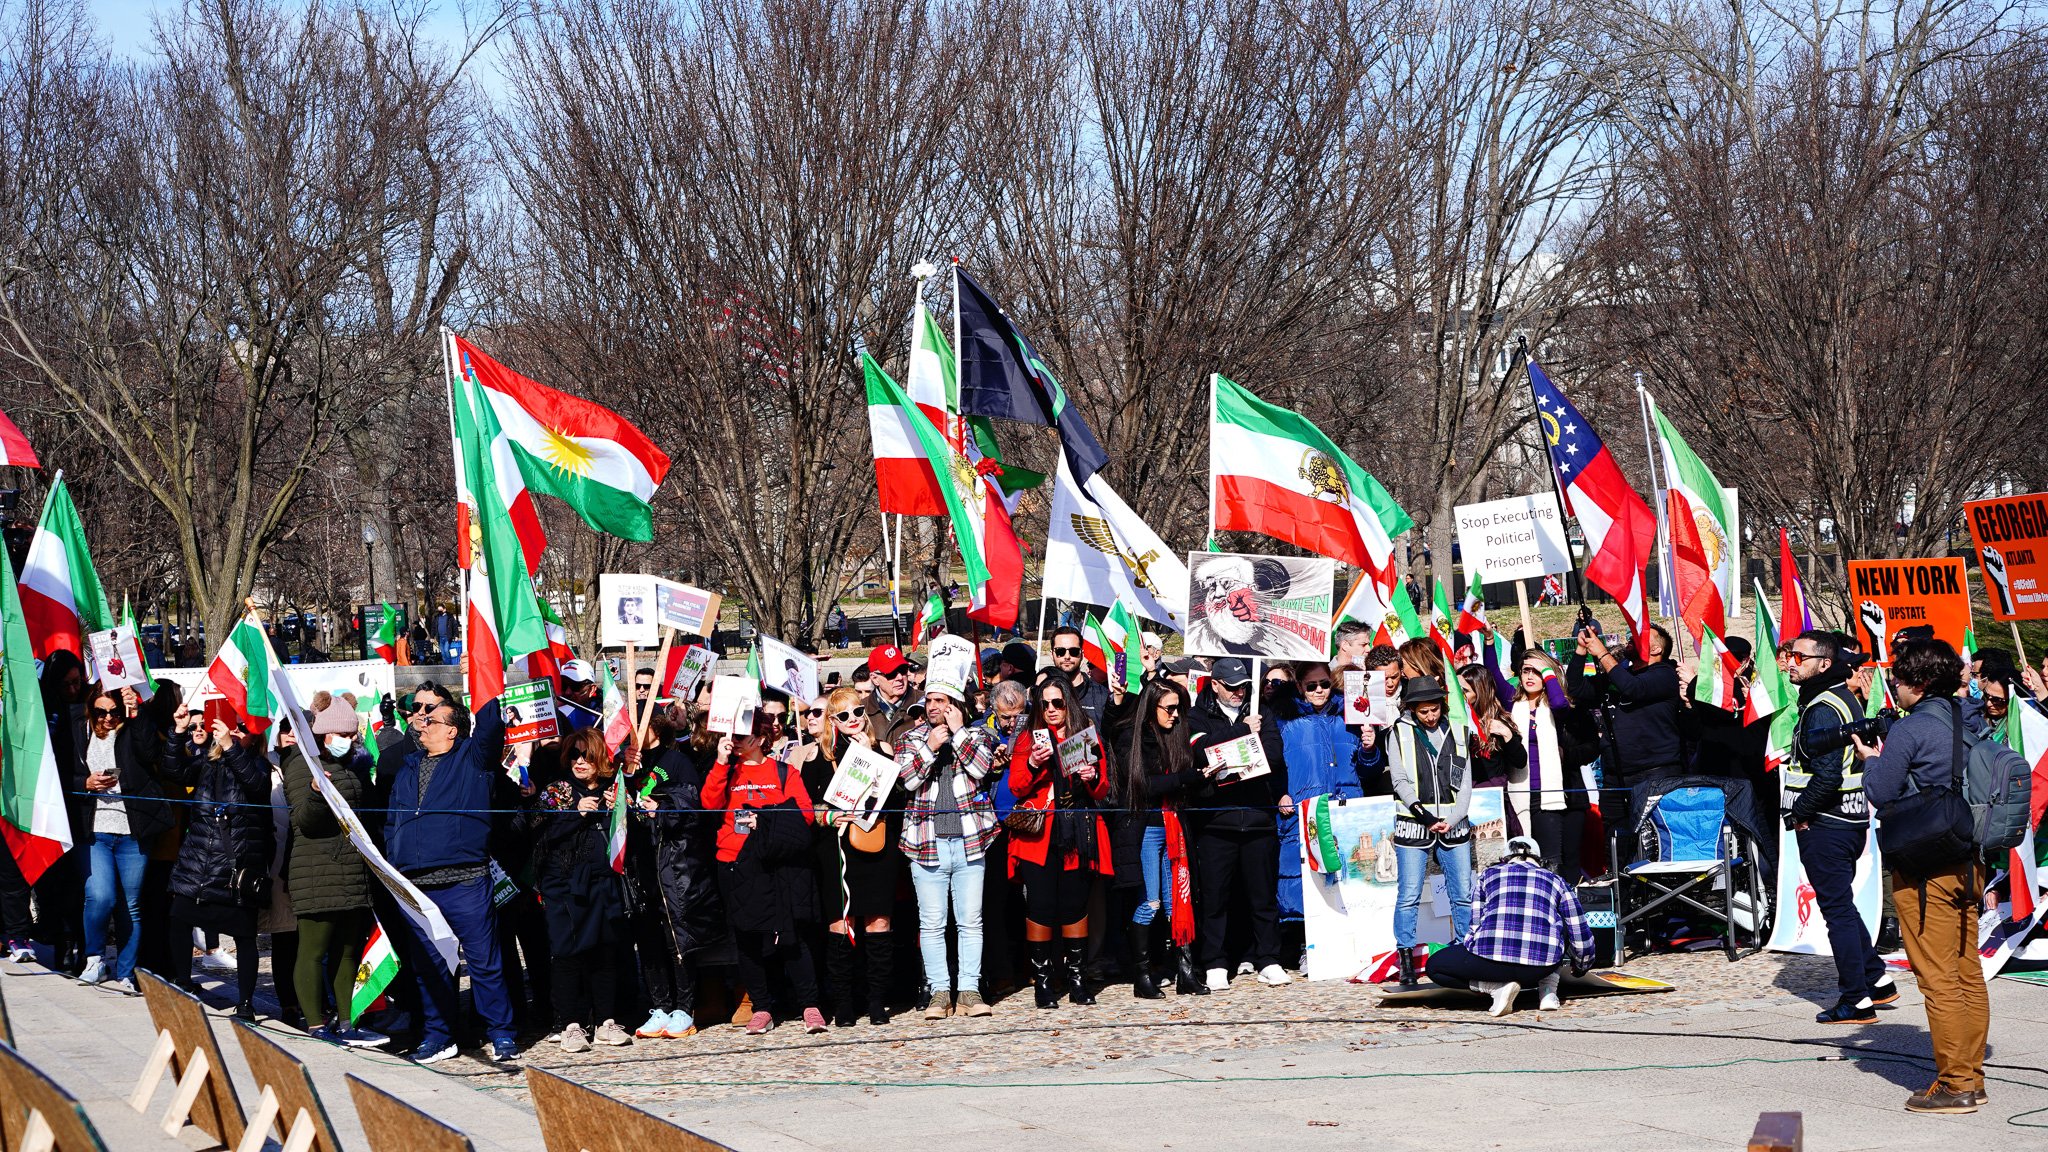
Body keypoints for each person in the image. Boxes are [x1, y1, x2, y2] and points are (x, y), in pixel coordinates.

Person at [1853, 639, 1990, 1114]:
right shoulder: (1970, 720)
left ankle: (1956, 1085)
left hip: (1925, 866)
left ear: (1918, 682)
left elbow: (1880, 789)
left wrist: (1872, 758)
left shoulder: (1912, 730)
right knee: (1967, 972)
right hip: (1969, 860)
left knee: (1938, 979)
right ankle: (1972, 1074)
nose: (1894, 687)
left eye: (1898, 680)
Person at [381, 694, 519, 1063]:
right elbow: (393, 819)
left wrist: (488, 688)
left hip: (465, 881)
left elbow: (490, 728)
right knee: (429, 967)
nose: (422, 722)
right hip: (417, 886)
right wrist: (395, 856)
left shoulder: (473, 758)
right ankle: (440, 1036)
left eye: (432, 719)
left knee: (484, 962)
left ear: (453, 731)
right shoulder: (408, 766)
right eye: (422, 718)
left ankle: (501, 1034)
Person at [1783, 629, 1895, 1024]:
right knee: (1842, 905)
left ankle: (1856, 1000)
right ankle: (1877, 981)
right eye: (1789, 655)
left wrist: (1798, 814)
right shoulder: (1837, 698)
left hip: (1826, 823)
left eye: (1799, 656)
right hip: (1846, 821)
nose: (1790, 662)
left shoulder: (1822, 707)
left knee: (1836, 912)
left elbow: (1827, 775)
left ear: (1824, 664)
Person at [707, 703, 826, 1035]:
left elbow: (803, 816)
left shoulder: (785, 772)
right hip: (734, 862)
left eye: (741, 736)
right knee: (746, 939)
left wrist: (767, 820)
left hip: (776, 864)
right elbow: (709, 804)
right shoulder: (728, 771)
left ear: (760, 738)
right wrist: (719, 761)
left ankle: (810, 1005)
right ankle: (761, 1008)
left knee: (791, 937)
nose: (734, 741)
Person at [895, 677, 1005, 1018]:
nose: (931, 707)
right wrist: (929, 746)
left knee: (971, 921)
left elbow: (982, 768)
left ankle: (969, 990)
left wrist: (958, 736)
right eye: (929, 700)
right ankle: (939, 992)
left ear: (955, 705)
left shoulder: (977, 736)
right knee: (931, 923)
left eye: (940, 700)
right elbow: (907, 781)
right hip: (926, 843)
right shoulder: (910, 739)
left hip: (969, 841)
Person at [275, 695, 384, 1043]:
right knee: (313, 949)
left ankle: (348, 1021)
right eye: (343, 734)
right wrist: (316, 791)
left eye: (352, 735)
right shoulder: (299, 764)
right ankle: (315, 1023)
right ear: (323, 735)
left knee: (348, 950)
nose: (350, 741)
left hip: (351, 871)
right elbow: (305, 822)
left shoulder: (350, 766)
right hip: (316, 871)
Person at [1006, 679, 1114, 1008]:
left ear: (1069, 703)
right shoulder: (1029, 739)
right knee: (1040, 908)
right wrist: (1033, 763)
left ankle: (1077, 980)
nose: (1051, 710)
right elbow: (1016, 787)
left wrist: (1092, 777)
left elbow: (1102, 789)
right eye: (1045, 704)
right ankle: (1042, 983)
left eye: (1058, 703)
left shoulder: (1086, 734)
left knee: (1074, 907)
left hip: (1079, 831)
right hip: (1039, 835)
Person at [159, 706, 272, 1019]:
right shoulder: (209, 762)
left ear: (255, 735)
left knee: (243, 935)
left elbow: (256, 786)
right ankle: (184, 981)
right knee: (179, 918)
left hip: (234, 868)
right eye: (231, 727)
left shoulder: (259, 765)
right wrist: (177, 732)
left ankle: (246, 1003)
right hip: (197, 862)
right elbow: (173, 771)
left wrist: (232, 747)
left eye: (242, 729)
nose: (234, 732)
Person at [1184, 657, 1288, 991]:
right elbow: (1201, 753)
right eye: (1230, 687)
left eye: (1243, 686)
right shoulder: (1197, 715)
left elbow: (1272, 757)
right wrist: (1244, 733)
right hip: (1216, 822)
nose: (1238, 693)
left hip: (1258, 819)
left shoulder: (1262, 712)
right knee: (1215, 898)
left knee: (1263, 897)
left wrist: (1232, 751)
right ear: (1214, 684)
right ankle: (1215, 962)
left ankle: (1269, 959)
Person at [531, 729, 634, 1052]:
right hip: (564, 887)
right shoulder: (557, 791)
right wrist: (576, 814)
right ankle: (570, 1024)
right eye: (573, 755)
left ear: (599, 757)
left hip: (604, 884)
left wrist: (625, 806)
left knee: (605, 952)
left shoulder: (613, 789)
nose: (579, 761)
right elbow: (539, 833)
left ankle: (605, 1021)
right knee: (567, 954)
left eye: (586, 755)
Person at [1103, 678, 1204, 999]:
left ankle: (1186, 972)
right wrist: (1183, 779)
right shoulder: (1131, 737)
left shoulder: (1176, 735)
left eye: (1179, 709)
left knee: (1177, 903)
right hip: (1144, 828)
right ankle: (1142, 975)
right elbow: (1141, 786)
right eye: (1170, 708)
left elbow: (1181, 781)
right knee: (1150, 902)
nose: (1176, 715)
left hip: (1174, 824)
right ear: (1152, 707)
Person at [806, 686, 900, 1027]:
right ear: (833, 720)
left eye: (858, 712)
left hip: (876, 842)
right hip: (837, 846)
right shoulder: (820, 756)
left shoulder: (884, 749)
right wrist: (829, 816)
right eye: (844, 715)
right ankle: (843, 1002)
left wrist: (873, 754)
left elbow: (897, 796)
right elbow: (808, 806)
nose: (854, 720)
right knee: (841, 924)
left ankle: (876, 1001)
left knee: (878, 922)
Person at [629, 708, 726, 1040]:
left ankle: (684, 1008)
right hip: (638, 862)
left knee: (676, 938)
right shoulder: (626, 764)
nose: (631, 730)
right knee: (649, 939)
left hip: (673, 863)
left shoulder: (676, 760)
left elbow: (692, 807)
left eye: (637, 724)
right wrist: (624, 771)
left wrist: (662, 807)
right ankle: (660, 1006)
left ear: (654, 727)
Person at [74, 685, 172, 994]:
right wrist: (85, 782)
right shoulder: (78, 729)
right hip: (94, 830)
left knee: (130, 905)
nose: (107, 718)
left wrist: (135, 712)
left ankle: (126, 973)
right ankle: (94, 959)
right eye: (101, 712)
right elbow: (61, 771)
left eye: (113, 712)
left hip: (133, 831)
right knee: (100, 897)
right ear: (92, 709)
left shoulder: (132, 727)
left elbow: (151, 754)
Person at [1427, 836, 1594, 1016]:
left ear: (1505, 859)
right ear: (1539, 860)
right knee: (1557, 925)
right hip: (1539, 969)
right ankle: (1548, 991)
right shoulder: (1557, 881)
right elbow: (1578, 929)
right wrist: (1581, 966)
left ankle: (1496, 987)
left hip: (1489, 963)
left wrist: (1471, 956)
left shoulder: (1487, 875)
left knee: (1434, 967)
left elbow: (1475, 925)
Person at [1271, 663, 1379, 926]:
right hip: (1304, 811)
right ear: (1299, 687)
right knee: (1303, 882)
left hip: (1345, 810)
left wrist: (1369, 748)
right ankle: (1303, 946)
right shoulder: (1283, 720)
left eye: (1325, 684)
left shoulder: (1351, 716)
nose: (1319, 690)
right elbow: (1272, 765)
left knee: (1349, 880)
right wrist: (1280, 793)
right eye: (1311, 686)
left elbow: (1369, 772)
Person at [1386, 676, 1474, 986]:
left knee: (1462, 892)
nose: (1430, 716)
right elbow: (1399, 781)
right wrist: (1424, 815)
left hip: (1454, 824)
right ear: (1411, 709)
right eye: (1423, 711)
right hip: (1414, 824)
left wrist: (1453, 817)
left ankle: (1467, 949)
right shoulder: (1398, 732)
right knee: (1408, 895)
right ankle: (1406, 958)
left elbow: (1465, 783)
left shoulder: (1460, 732)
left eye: (1434, 709)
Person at [1566, 621, 1682, 828]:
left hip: (1654, 774)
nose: (1631, 638)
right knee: (1615, 841)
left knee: (1653, 840)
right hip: (1615, 776)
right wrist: (1581, 651)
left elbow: (1633, 689)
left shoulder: (1665, 674)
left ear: (1657, 649)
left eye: (1641, 637)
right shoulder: (1620, 676)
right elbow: (1576, 689)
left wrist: (1602, 654)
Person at [1506, 652, 1596, 882]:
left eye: (1537, 671)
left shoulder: (1565, 708)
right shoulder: (1514, 707)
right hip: (1526, 793)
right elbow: (1495, 678)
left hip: (1565, 793)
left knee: (1563, 858)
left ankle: (1568, 909)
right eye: (1526, 670)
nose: (1529, 675)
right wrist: (1488, 641)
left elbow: (1593, 746)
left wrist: (1568, 756)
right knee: (1530, 858)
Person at [1046, 626, 1109, 730]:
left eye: (1073, 651)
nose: (1067, 656)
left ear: (1082, 655)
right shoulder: (1042, 694)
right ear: (1052, 654)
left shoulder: (1102, 695)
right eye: (1060, 651)